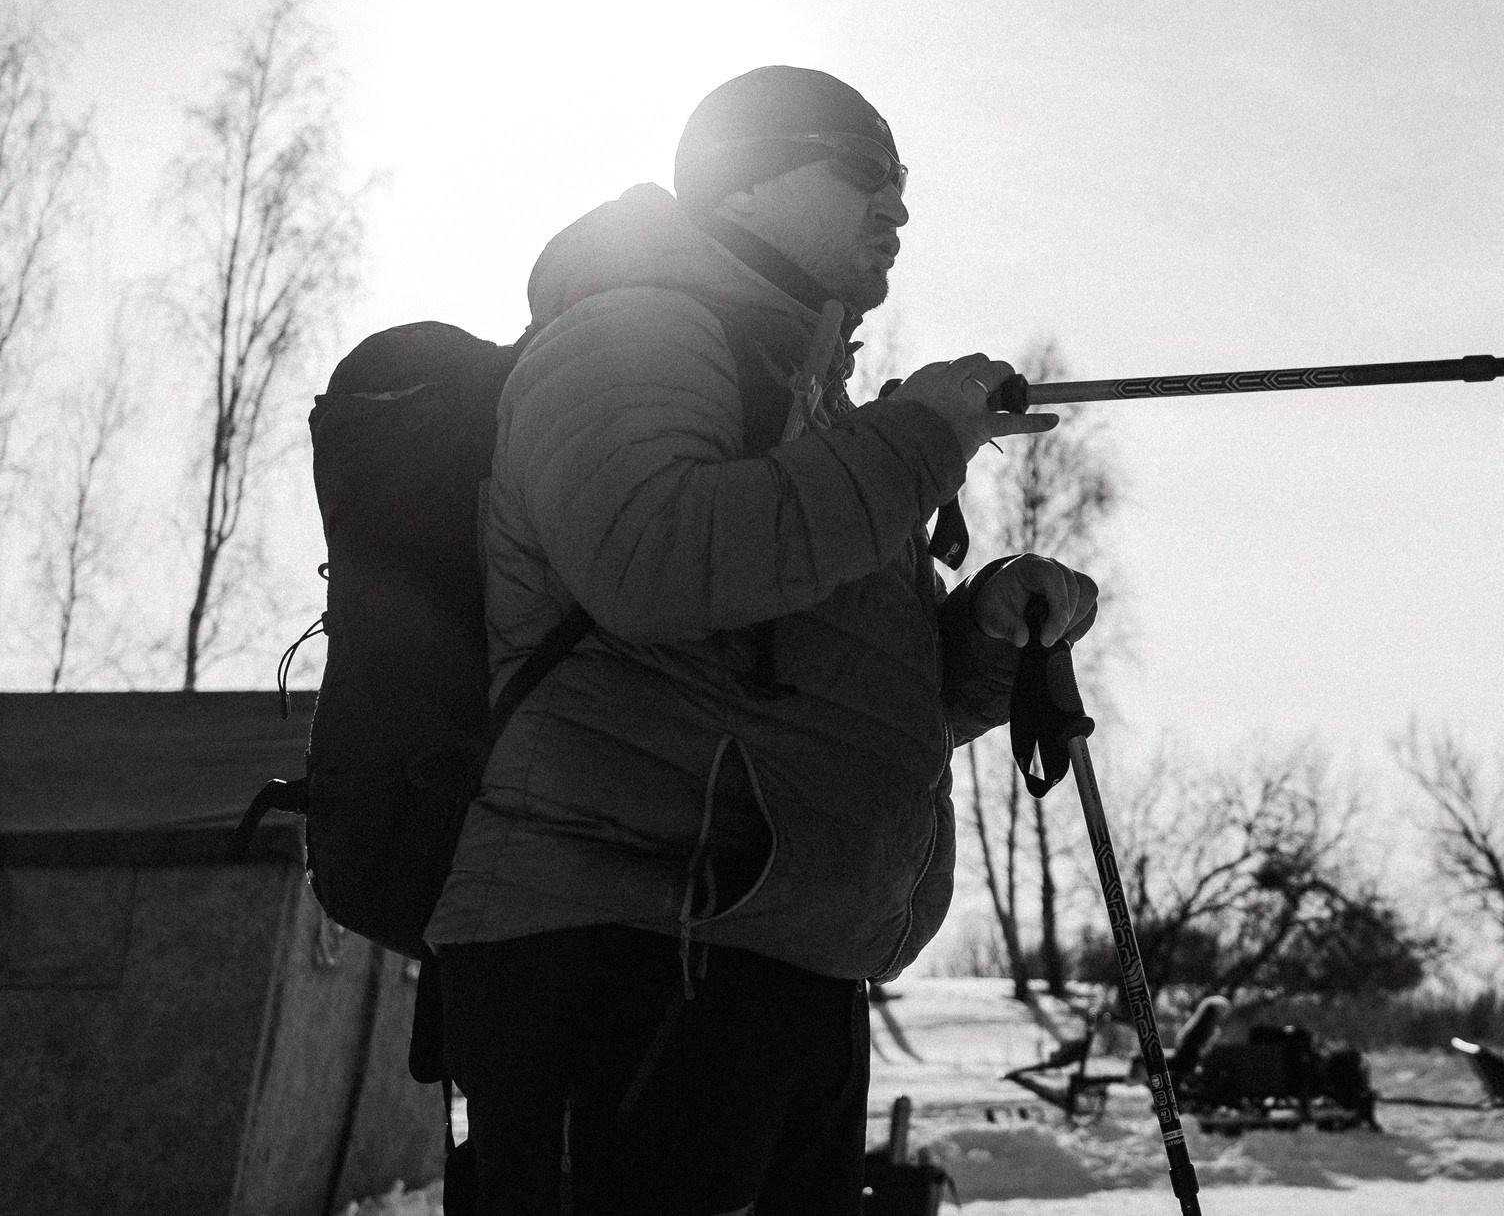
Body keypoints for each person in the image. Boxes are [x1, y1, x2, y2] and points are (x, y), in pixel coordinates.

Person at [428, 65, 1097, 1215]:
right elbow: (653, 559)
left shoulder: (817, 412)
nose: (896, 210)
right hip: (624, 957)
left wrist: (986, 638)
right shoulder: (630, 331)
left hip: (777, 959)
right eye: (864, 175)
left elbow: (829, 697)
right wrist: (914, 443)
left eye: (903, 186)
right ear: (741, 182)